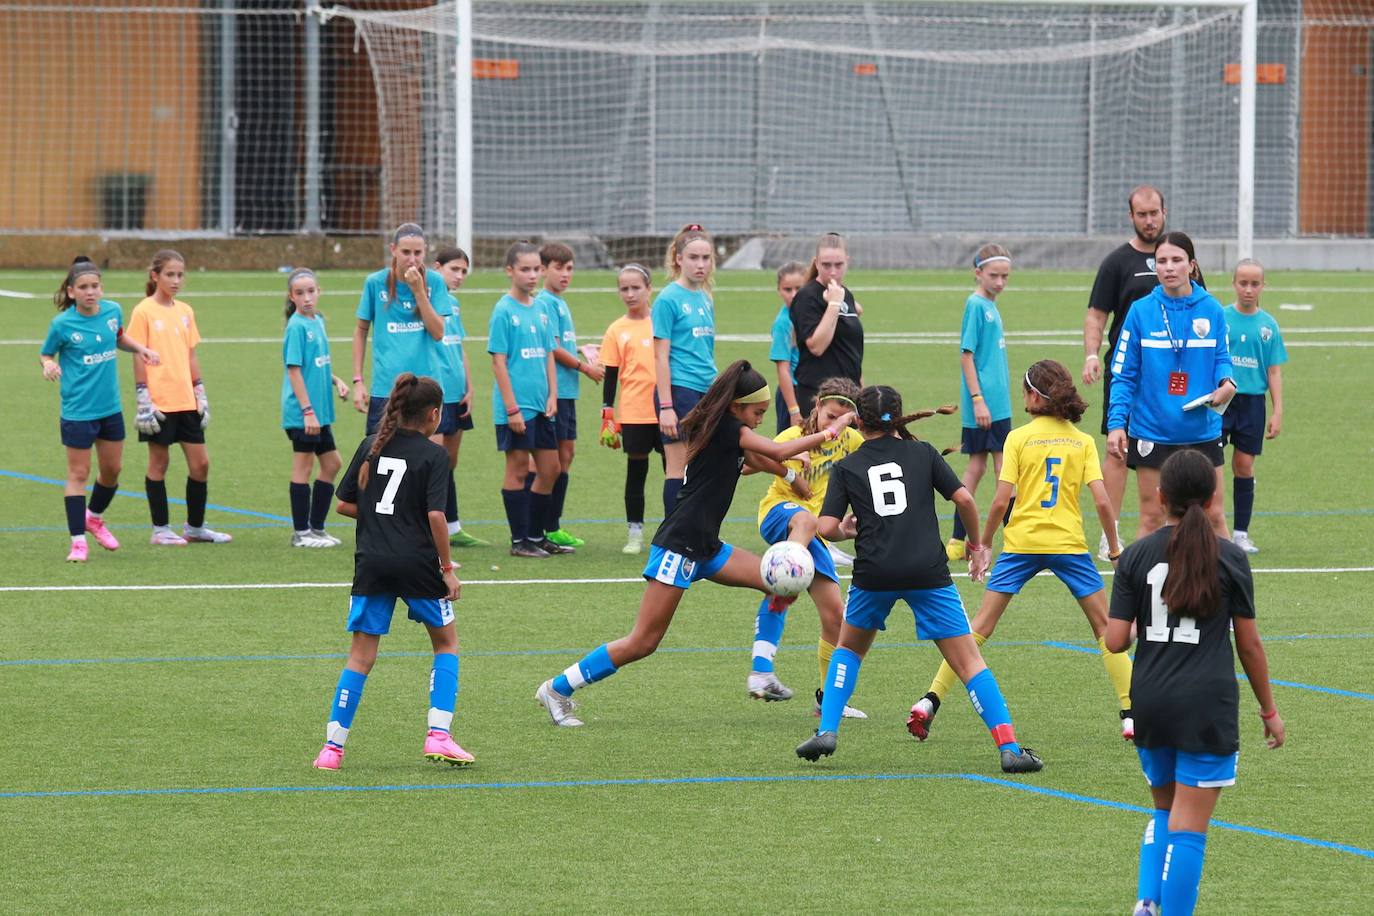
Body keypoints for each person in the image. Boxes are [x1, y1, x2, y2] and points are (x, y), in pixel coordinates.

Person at [533, 360, 854, 728]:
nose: (761, 418)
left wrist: (790, 474)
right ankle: (557, 690)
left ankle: (761, 672)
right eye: (758, 412)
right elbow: (775, 451)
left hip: (707, 547)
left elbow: (758, 462)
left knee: (778, 583)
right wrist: (830, 433)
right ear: (736, 407)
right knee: (643, 641)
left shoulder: (731, 430)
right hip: (679, 547)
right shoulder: (729, 429)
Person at [794, 384, 1041, 773]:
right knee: (968, 662)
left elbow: (825, 526)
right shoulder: (923, 453)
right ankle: (1009, 747)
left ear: (859, 421)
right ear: (900, 416)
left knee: (849, 649)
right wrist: (977, 546)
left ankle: (827, 729)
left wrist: (846, 529)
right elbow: (964, 500)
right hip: (928, 570)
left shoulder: (849, 466)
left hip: (874, 572)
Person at [911, 360, 1133, 743]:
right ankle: (1131, 714)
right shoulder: (1081, 442)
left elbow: (1000, 501)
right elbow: (1100, 500)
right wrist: (1114, 548)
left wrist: (982, 544)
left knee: (977, 629)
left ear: (1034, 396)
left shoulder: (1017, 438)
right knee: (1105, 629)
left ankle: (930, 700)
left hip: (1022, 545)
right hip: (1069, 546)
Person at [1105, 448, 1284, 916]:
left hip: (1151, 700)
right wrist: (1269, 711)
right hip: (1206, 703)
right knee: (1189, 826)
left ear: (1160, 496)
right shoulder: (1228, 557)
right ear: (1211, 498)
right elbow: (1248, 646)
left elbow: (1114, 640)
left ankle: (1147, 902)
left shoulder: (1137, 555)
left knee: (1165, 811)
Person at [312, 374, 472, 770]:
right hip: (418, 563)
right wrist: (447, 569)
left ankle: (332, 748)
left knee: (361, 656)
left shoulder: (372, 445)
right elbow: (436, 515)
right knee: (446, 644)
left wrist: (385, 521)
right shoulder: (434, 456)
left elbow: (344, 505)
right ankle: (439, 734)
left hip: (372, 562)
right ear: (434, 415)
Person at [1083, 186, 1197, 560]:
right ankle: (1109, 533)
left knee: (1174, 449)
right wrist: (1091, 355)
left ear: (1165, 211)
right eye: (1142, 214)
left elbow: (1203, 312)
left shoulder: (1181, 258)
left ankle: (1175, 527)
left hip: (1173, 374)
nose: (1149, 220)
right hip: (1128, 371)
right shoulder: (1117, 262)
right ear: (1131, 217)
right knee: (1117, 450)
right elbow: (1097, 314)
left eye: (1155, 213)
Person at [747, 376, 868, 719]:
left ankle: (827, 700)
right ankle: (788, 566)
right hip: (780, 515)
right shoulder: (792, 437)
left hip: (813, 537)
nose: (835, 426)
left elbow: (874, 459)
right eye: (830, 417)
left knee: (835, 617)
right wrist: (787, 466)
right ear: (816, 408)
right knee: (802, 529)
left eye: (843, 421)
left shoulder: (852, 441)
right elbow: (748, 462)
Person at [1107, 232, 1235, 539]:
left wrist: (1227, 382)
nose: (1168, 267)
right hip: (1152, 431)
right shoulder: (1140, 311)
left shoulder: (1212, 309)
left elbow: (1222, 357)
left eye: (1176, 260)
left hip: (1201, 430)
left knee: (1214, 517)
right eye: (1161, 261)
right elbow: (1123, 374)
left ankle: (1228, 586)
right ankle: (1142, 588)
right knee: (1152, 518)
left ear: (1191, 266)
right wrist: (1116, 424)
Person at [39, 257, 159, 562]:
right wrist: (49, 364)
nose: (90, 292)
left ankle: (94, 517)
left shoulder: (112, 311)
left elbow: (118, 337)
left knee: (112, 471)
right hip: (78, 411)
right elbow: (45, 354)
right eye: (83, 287)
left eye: (94, 286)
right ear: (71, 292)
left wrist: (141, 348)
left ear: (101, 288)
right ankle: (78, 540)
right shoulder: (62, 324)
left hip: (110, 409)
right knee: (78, 473)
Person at [126, 249, 232, 545]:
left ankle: (195, 528)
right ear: (155, 276)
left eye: (180, 275)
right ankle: (160, 529)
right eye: (169, 275)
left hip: (186, 400)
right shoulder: (143, 311)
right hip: (159, 402)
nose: (175, 280)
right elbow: (137, 354)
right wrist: (142, 397)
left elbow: (190, 354)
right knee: (159, 463)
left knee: (201, 464)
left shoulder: (185, 311)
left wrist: (200, 390)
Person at [489, 241, 564, 558]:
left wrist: (553, 394)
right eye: (525, 269)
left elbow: (548, 354)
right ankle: (520, 541)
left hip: (542, 403)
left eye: (537, 269)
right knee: (518, 469)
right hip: (516, 407)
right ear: (510, 271)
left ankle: (536, 534)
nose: (533, 275)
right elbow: (498, 361)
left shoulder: (543, 308)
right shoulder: (504, 310)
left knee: (551, 468)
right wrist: (512, 408)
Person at [350, 223, 452, 436]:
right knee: (378, 460)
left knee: (428, 462)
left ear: (425, 251)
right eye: (406, 252)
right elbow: (360, 331)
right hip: (387, 388)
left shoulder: (435, 282)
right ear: (393, 250)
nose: (412, 259)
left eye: (418, 252)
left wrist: (419, 292)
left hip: (426, 388)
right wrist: (358, 381)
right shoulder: (375, 283)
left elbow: (438, 332)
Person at [947, 244, 1014, 563]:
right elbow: (966, 355)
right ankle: (1016, 541)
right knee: (1000, 469)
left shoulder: (990, 303)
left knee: (982, 466)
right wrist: (977, 400)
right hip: (985, 404)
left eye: (1004, 276)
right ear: (978, 273)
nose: (1000, 281)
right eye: (994, 275)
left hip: (997, 403)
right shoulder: (975, 305)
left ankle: (959, 541)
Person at [535, 241, 604, 548]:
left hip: (567, 391)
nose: (565, 274)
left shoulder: (560, 302)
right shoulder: (545, 302)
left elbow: (560, 342)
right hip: (554, 392)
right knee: (548, 462)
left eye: (569, 268)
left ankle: (552, 525)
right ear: (544, 269)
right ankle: (541, 527)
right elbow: (550, 346)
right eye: (558, 268)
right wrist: (584, 368)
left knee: (566, 455)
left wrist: (582, 350)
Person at [280, 268, 350, 548]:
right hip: (303, 414)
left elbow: (317, 364)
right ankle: (301, 533)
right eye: (300, 293)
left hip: (320, 412)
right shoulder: (296, 327)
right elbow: (295, 372)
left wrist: (336, 381)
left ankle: (317, 529)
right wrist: (307, 411)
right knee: (303, 467)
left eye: (311, 291)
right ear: (291, 296)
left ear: (319, 291)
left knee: (332, 464)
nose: (307, 298)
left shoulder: (317, 321)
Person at [653, 224, 718, 518]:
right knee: (677, 467)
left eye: (706, 258)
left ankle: (693, 531)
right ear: (678, 258)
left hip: (705, 392)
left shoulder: (705, 298)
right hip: (679, 392)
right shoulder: (668, 299)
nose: (701, 264)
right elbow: (660, 356)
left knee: (703, 465)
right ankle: (673, 538)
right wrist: (666, 406)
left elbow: (705, 352)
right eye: (694, 257)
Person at [1222, 259, 1287, 554]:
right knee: (1211, 463)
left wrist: (1277, 410)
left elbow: (1273, 371)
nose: (1248, 289)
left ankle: (1240, 533)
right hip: (1223, 400)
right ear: (1233, 283)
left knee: (1244, 465)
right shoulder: (1221, 318)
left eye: (1254, 284)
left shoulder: (1268, 325)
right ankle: (1213, 528)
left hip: (1252, 404)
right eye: (1243, 283)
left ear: (1264, 286)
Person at [599, 263, 661, 554]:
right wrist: (607, 412)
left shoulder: (661, 321)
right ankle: (634, 531)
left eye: (636, 287)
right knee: (636, 472)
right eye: (624, 288)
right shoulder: (616, 329)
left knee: (675, 470)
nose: (630, 293)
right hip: (634, 411)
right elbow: (611, 374)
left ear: (649, 289)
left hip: (666, 409)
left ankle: (675, 527)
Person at [432, 246, 487, 548]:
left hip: (457, 393)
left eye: (464, 271)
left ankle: (452, 526)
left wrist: (470, 386)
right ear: (436, 267)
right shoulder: (426, 302)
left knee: (449, 461)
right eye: (454, 269)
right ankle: (427, 530)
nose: (460, 276)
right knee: (434, 463)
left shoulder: (453, 304)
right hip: (436, 396)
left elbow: (459, 345)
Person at [789, 233, 863, 418]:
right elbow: (816, 346)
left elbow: (850, 350)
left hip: (848, 394)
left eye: (838, 265)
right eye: (826, 265)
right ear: (816, 263)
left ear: (847, 261)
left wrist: (861, 389)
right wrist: (833, 305)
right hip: (819, 396)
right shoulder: (807, 297)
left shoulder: (845, 294)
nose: (832, 272)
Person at [769, 262, 806, 435]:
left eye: (799, 288)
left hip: (812, 389)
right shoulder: (783, 323)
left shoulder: (813, 313)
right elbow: (782, 369)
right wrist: (794, 410)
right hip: (793, 394)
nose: (794, 295)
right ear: (779, 291)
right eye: (787, 289)